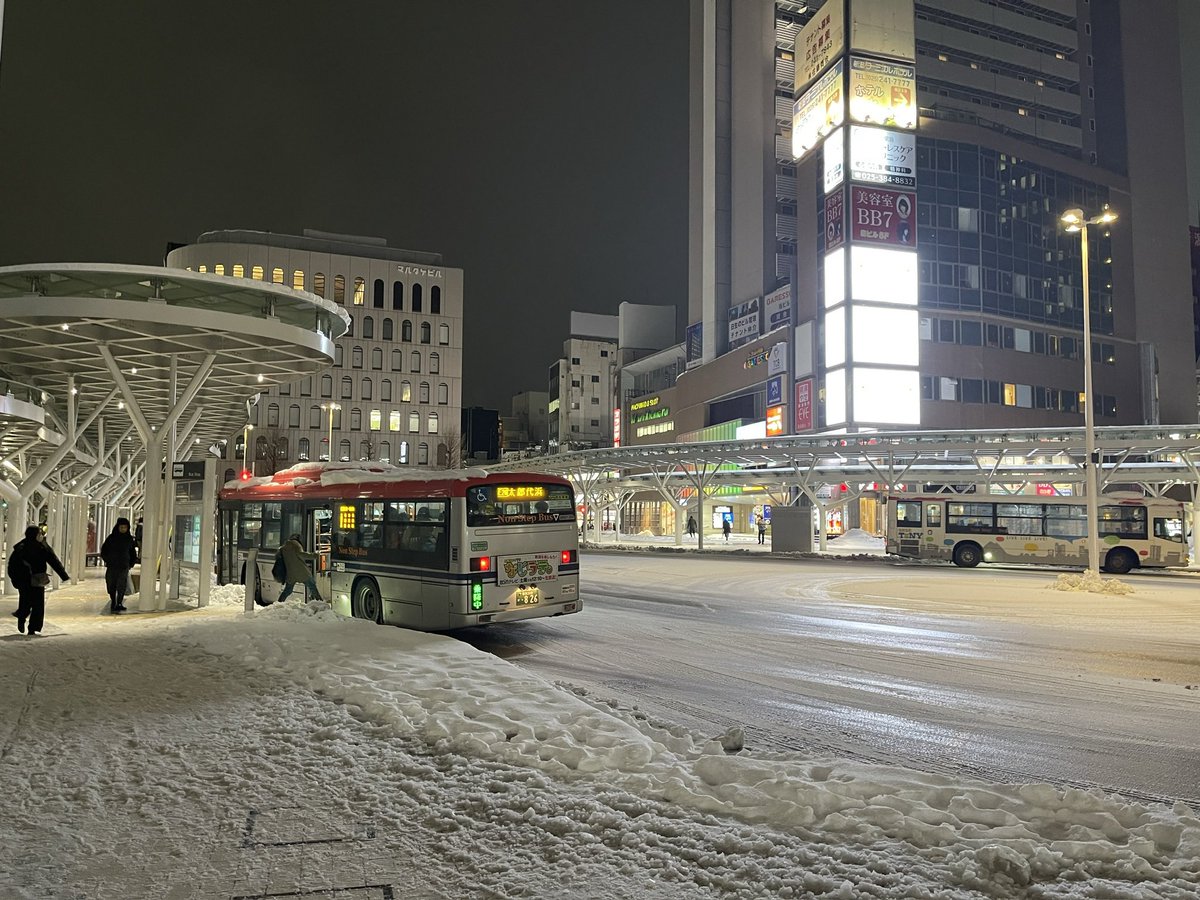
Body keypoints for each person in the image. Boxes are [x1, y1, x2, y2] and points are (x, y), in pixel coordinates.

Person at [8, 525, 70, 636]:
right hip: (33, 580)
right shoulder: (37, 547)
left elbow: (11, 565)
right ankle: (28, 623)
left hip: (28, 580)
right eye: (40, 534)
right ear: (36, 535)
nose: (41, 536)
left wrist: (15, 580)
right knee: (34, 604)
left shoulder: (25, 547)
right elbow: (53, 560)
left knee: (30, 602)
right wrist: (64, 575)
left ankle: (27, 621)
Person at [100, 517, 139, 613]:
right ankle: (113, 600)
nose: (123, 529)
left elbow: (132, 553)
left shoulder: (129, 539)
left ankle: (119, 602)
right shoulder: (111, 538)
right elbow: (104, 550)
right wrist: (108, 560)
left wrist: (131, 564)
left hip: (124, 565)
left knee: (121, 584)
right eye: (121, 527)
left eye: (125, 527)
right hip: (112, 565)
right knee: (111, 584)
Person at [277, 533, 323, 603]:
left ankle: (279, 602)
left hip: (290, 573)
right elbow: (302, 554)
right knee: (312, 586)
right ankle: (320, 601)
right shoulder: (295, 545)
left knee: (288, 590)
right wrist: (314, 555)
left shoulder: (284, 547)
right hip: (301, 572)